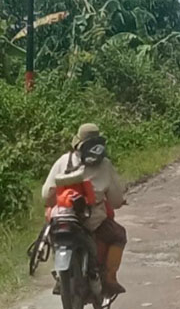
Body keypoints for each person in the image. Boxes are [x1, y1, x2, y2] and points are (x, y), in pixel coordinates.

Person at [42, 123, 127, 296]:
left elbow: (46, 195)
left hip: (63, 217)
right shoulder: (105, 165)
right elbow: (116, 201)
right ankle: (110, 278)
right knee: (119, 235)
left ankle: (59, 274)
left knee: (54, 234)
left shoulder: (63, 161)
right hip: (92, 219)